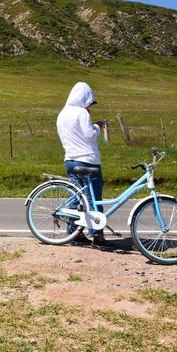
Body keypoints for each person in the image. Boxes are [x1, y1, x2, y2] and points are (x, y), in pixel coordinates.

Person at [56, 82, 108, 246]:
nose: (89, 107)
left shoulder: (62, 114)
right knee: (94, 198)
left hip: (70, 160)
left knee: (76, 196)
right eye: (89, 102)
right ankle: (97, 235)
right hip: (88, 160)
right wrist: (98, 126)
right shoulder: (81, 113)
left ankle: (73, 233)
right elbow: (89, 134)